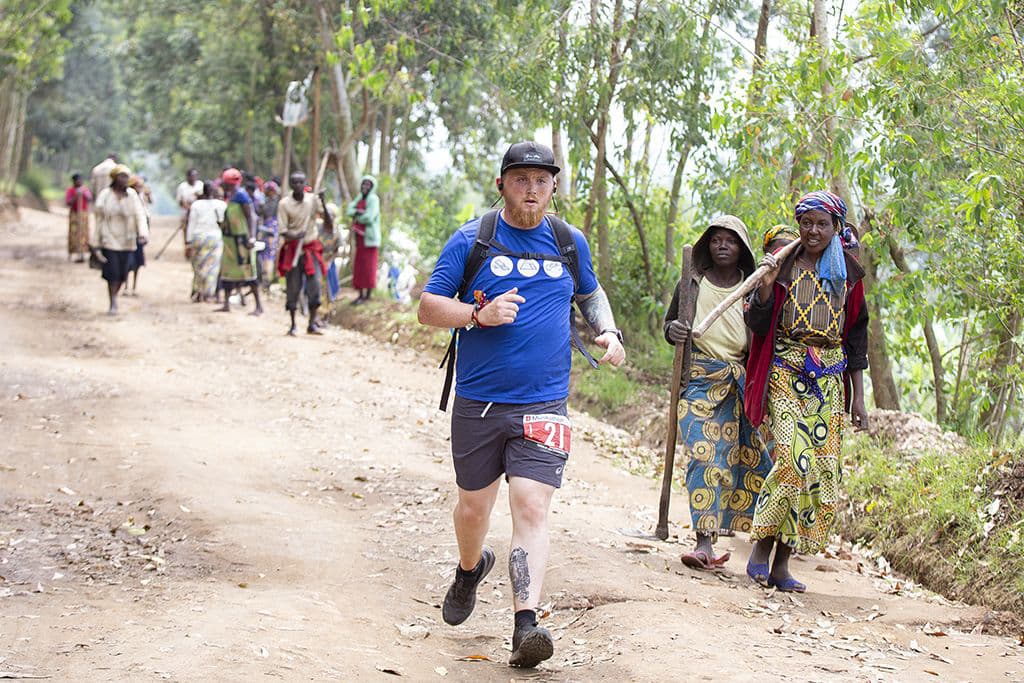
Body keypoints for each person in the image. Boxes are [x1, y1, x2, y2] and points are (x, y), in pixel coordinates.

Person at [418, 141, 626, 669]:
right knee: (473, 509)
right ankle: (470, 568)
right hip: (480, 402)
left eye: (541, 180)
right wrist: (474, 316)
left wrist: (608, 330)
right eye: (520, 180)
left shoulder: (568, 241)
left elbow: (590, 293)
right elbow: (427, 307)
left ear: (554, 186)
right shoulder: (475, 239)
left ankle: (525, 624)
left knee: (532, 505)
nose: (531, 190)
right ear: (502, 184)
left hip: (545, 404)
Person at [743, 190, 870, 593]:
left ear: (836, 228)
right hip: (785, 368)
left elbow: (856, 339)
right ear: (798, 224)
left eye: (822, 224)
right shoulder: (781, 265)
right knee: (793, 461)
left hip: (829, 381)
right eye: (806, 223)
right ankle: (760, 549)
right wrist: (764, 288)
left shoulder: (848, 274)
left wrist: (860, 399)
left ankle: (783, 563)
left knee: (816, 474)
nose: (813, 231)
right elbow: (760, 324)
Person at [663, 216, 774, 571]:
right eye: (716, 240)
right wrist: (675, 330)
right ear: (706, 246)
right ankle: (703, 541)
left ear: (741, 248)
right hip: (697, 380)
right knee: (703, 454)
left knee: (735, 461)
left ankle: (756, 539)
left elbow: (761, 328)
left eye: (730, 240)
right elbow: (668, 326)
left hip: (738, 384)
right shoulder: (691, 283)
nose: (722, 245)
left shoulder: (752, 287)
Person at [277, 172, 331, 335]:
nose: (298, 185)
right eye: (295, 183)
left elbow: (328, 224)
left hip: (310, 248)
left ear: (304, 183)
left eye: (301, 182)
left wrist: (323, 201)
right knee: (293, 287)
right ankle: (293, 324)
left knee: (314, 285)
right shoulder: (284, 204)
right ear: (291, 185)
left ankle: (312, 323)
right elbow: (283, 230)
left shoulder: (312, 201)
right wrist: (295, 235)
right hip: (293, 249)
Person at [89, 164, 148, 315]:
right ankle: (113, 300)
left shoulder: (132, 195)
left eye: (126, 177)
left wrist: (142, 233)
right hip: (109, 237)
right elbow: (99, 218)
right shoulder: (105, 195)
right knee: (112, 272)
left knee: (123, 272)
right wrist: (95, 242)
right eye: (122, 176)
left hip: (127, 239)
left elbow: (140, 215)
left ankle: (116, 293)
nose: (125, 180)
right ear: (115, 178)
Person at [217, 168, 263, 315]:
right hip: (230, 240)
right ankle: (226, 304)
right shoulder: (231, 196)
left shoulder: (242, 196)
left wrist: (251, 237)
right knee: (228, 273)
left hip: (242, 240)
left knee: (248, 273)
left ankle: (258, 306)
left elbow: (251, 217)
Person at [185, 181, 226, 302]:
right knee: (212, 267)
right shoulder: (221, 205)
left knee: (198, 266)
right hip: (215, 238)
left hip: (198, 237)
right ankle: (208, 292)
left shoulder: (196, 205)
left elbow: (191, 224)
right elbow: (223, 223)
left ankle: (198, 291)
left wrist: (188, 241)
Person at [346, 174, 380, 304]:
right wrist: (357, 211)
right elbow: (350, 210)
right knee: (359, 266)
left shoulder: (373, 199)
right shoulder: (360, 197)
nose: (365, 187)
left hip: (370, 239)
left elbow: (369, 217)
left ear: (372, 187)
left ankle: (367, 295)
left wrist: (358, 215)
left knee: (369, 267)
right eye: (363, 184)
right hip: (360, 239)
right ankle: (360, 294)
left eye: (368, 184)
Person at [126, 175, 151, 296]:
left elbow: (144, 216)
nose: (140, 188)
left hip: (139, 235)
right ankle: (126, 285)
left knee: (137, 261)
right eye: (138, 186)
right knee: (127, 261)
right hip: (129, 234)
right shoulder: (128, 198)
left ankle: (134, 286)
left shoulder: (141, 198)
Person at [257, 180, 281, 288]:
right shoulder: (267, 201)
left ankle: (268, 278)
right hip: (266, 229)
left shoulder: (276, 202)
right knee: (266, 254)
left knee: (269, 254)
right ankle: (265, 278)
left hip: (271, 229)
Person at [65, 173, 92, 262]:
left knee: (83, 233)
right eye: (78, 180)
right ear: (74, 181)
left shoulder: (85, 189)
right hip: (74, 214)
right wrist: (76, 196)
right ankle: (72, 252)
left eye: (81, 180)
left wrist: (83, 193)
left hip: (83, 215)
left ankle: (82, 253)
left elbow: (89, 198)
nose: (80, 182)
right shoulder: (70, 190)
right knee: (73, 233)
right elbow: (68, 202)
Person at [176, 168, 204, 249]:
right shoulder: (182, 187)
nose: (193, 178)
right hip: (186, 213)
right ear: (187, 177)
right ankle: (188, 248)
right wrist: (188, 208)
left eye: (195, 176)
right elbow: (180, 201)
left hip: (199, 213)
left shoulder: (200, 185)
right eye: (191, 176)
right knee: (187, 231)